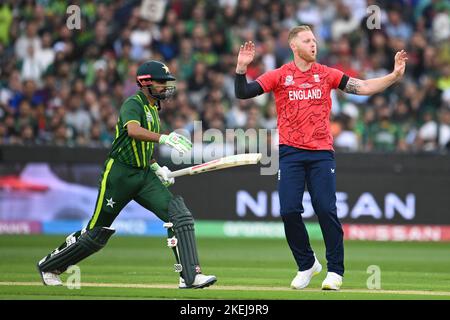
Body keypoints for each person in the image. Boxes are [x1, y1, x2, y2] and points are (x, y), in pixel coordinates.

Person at [235, 25, 407, 290]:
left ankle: (335, 271)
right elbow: (243, 93)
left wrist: (393, 77)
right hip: (290, 153)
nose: (314, 44)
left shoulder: (326, 74)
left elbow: (362, 87)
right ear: (294, 46)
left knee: (326, 209)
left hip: (321, 154)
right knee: (289, 210)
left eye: (314, 40)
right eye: (307, 40)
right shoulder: (281, 75)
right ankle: (307, 264)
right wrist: (241, 69)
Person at [37, 60, 217, 289]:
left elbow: (145, 149)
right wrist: (164, 137)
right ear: (146, 83)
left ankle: (189, 276)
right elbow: (133, 131)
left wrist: (156, 168)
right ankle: (49, 266)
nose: (166, 87)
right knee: (96, 233)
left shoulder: (153, 109)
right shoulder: (133, 103)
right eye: (162, 82)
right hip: (120, 175)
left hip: (143, 175)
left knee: (178, 215)